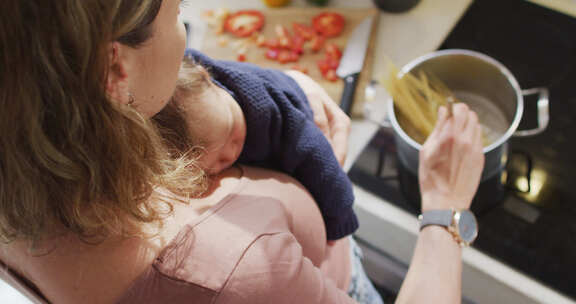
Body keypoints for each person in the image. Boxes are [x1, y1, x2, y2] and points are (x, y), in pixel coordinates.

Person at [0, 1, 484, 304]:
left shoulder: (29, 147)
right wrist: (446, 206)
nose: (185, 26)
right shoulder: (235, 277)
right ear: (114, 70)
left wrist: (268, 91)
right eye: (179, 10)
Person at [168, 55, 357, 241]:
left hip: (302, 132)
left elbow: (326, 169)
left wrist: (339, 220)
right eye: (217, 162)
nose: (231, 153)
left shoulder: (274, 115)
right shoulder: (177, 103)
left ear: (208, 77)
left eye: (231, 133)